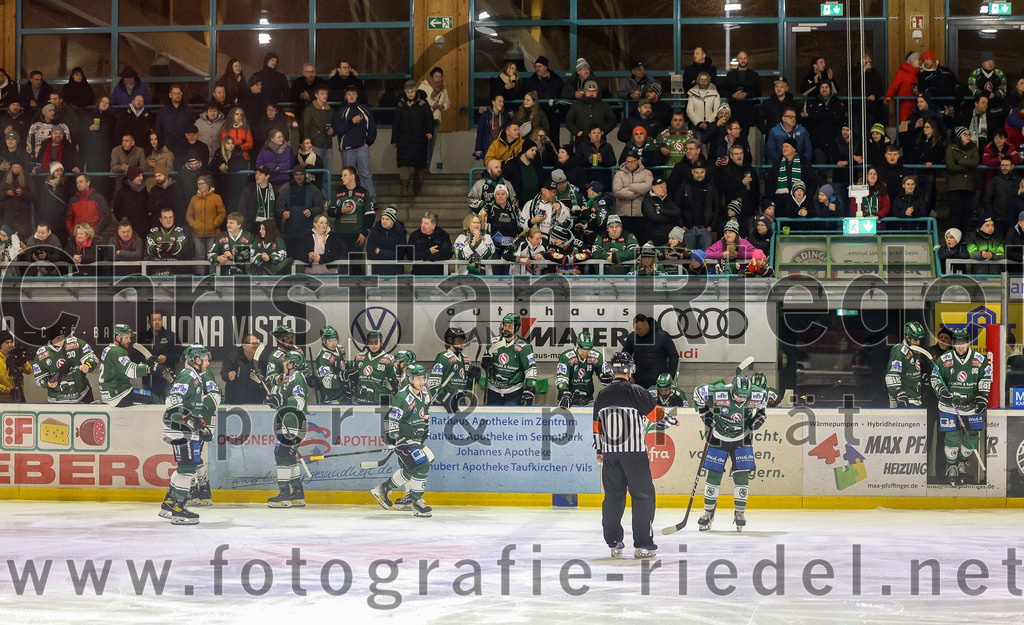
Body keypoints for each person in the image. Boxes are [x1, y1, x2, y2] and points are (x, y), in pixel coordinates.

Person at [593, 351, 672, 559]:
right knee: (643, 496)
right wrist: (670, 420)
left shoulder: (602, 394)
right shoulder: (637, 391)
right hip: (634, 454)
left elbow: (596, 426)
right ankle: (643, 544)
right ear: (630, 369)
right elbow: (656, 416)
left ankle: (614, 543)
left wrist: (599, 449)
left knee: (613, 498)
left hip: (610, 455)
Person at [692, 374, 768, 531]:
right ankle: (708, 513)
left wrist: (761, 415)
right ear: (732, 389)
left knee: (742, 475)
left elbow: (764, 401)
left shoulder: (756, 393)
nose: (741, 400)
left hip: (742, 438)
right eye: (738, 396)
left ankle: (739, 513)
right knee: (713, 475)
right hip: (719, 437)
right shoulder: (719, 391)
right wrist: (704, 413)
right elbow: (698, 392)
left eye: (744, 397)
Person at [159, 344, 218, 524]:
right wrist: (192, 420)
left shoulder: (195, 376)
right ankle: (179, 509)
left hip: (184, 427)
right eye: (205, 359)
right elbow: (173, 402)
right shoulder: (188, 375)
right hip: (182, 429)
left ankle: (170, 504)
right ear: (197, 360)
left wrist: (200, 425)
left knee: (184, 467)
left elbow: (189, 406)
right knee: (187, 468)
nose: (208, 362)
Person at [368, 363, 434, 517]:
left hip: (415, 438)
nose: (421, 381)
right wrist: (396, 440)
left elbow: (424, 413)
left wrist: (425, 428)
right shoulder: (404, 397)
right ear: (410, 379)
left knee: (410, 469)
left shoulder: (423, 393)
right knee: (422, 465)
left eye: (423, 378)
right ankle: (416, 502)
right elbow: (392, 419)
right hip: (404, 438)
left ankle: (383, 489)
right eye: (417, 378)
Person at [931, 328, 991, 485]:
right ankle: (951, 466)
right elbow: (935, 377)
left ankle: (962, 461)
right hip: (949, 406)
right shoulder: (945, 359)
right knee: (952, 437)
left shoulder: (979, 359)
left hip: (972, 406)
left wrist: (982, 397)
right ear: (954, 344)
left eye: (963, 343)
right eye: (958, 343)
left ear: (968, 342)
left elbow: (986, 376)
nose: (960, 346)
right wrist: (941, 391)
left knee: (972, 437)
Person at [265, 351, 310, 508]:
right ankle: (298, 494)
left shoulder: (297, 378)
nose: (283, 364)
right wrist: (273, 398)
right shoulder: (287, 378)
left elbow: (300, 401)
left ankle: (284, 495)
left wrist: (282, 400)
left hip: (294, 424)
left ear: (293, 364)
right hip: (289, 423)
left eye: (286, 362)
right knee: (289, 458)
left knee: (282, 455)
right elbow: (280, 397)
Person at [32, 323, 97, 403]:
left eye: (63, 337)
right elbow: (39, 377)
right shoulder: (41, 353)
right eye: (58, 338)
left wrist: (88, 365)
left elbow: (90, 356)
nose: (61, 340)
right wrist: (48, 383)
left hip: (82, 393)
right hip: (57, 399)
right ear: (51, 339)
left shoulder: (75, 343)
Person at [482, 313, 537, 406]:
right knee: (492, 419)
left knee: (512, 419)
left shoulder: (525, 346)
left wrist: (529, 388)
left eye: (510, 326)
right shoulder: (493, 342)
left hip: (514, 391)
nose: (506, 328)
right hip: (493, 390)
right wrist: (484, 363)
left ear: (517, 328)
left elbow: (530, 368)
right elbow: (486, 364)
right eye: (505, 325)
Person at [333, 85, 378, 199]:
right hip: (347, 149)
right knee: (348, 176)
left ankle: (370, 200)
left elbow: (372, 128)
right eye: (349, 94)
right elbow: (338, 130)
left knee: (365, 174)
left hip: (362, 147)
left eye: (353, 93)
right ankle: (350, 200)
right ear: (345, 97)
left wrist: (368, 142)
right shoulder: (341, 112)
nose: (351, 96)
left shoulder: (365, 109)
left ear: (357, 95)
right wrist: (351, 122)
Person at [326, 166, 374, 271]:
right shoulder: (338, 192)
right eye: (342, 175)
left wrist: (364, 232)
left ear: (352, 176)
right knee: (343, 263)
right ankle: (343, 286)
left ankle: (357, 286)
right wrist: (340, 210)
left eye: (345, 175)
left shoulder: (364, 193)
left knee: (356, 264)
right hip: (340, 234)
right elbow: (330, 211)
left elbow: (370, 215)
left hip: (357, 235)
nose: (342, 178)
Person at [391, 81, 433, 197]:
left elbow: (429, 119)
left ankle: (417, 187)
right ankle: (404, 188)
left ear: (416, 91)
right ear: (405, 92)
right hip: (404, 139)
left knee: (419, 165)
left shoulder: (423, 104)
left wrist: (429, 131)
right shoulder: (400, 105)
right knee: (404, 164)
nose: (410, 94)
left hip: (420, 139)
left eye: (412, 92)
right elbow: (396, 123)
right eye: (408, 92)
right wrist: (394, 139)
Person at [98, 324, 156, 406]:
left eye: (129, 337)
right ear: (118, 337)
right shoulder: (117, 351)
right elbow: (131, 371)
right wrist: (149, 369)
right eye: (126, 338)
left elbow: (123, 366)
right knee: (154, 398)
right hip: (119, 395)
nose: (129, 340)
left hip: (108, 394)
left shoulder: (107, 349)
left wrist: (144, 361)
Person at [427, 327, 478, 415]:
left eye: (462, 341)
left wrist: (473, 379)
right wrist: (445, 398)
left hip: (460, 403)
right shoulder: (443, 358)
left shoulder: (466, 359)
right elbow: (433, 383)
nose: (461, 343)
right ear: (450, 341)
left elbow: (467, 386)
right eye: (458, 340)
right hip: (442, 405)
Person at [555, 330, 611, 409]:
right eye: (583, 350)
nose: (585, 353)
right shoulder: (566, 357)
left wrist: (607, 377)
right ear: (578, 345)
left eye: (588, 350)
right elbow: (561, 376)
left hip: (587, 398)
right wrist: (564, 391)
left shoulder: (597, 356)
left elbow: (605, 372)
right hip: (567, 398)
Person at [278, 165, 325, 254]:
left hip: (308, 231)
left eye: (301, 174)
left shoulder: (313, 189)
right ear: (293, 176)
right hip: (290, 231)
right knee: (291, 258)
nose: (299, 177)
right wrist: (283, 212)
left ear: (305, 175)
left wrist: (312, 211)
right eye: (296, 175)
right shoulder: (287, 189)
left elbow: (320, 207)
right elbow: (279, 205)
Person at [622, 314, 678, 389]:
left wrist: (669, 377)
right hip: (637, 381)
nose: (637, 332)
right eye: (635, 329)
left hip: (658, 383)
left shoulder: (662, 336)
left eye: (639, 329)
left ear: (647, 325)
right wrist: (627, 375)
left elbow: (673, 355)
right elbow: (624, 356)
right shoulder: (632, 337)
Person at [885, 321, 929, 409]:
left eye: (919, 340)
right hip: (903, 400)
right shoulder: (899, 350)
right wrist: (898, 392)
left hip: (915, 398)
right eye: (915, 340)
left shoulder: (916, 350)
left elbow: (910, 371)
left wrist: (923, 376)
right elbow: (892, 375)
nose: (918, 343)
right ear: (907, 336)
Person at [945, 128, 980, 232]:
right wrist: (966, 168)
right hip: (954, 186)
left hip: (968, 185)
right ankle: (953, 234)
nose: (968, 136)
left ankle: (962, 234)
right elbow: (950, 166)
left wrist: (959, 161)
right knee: (955, 211)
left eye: (969, 134)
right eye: (965, 134)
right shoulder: (951, 148)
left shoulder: (973, 148)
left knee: (966, 211)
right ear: (959, 136)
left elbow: (975, 162)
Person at [350, 329, 398, 405]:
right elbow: (353, 379)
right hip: (361, 400)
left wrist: (392, 386)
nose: (373, 345)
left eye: (376, 342)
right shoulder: (359, 357)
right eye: (371, 342)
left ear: (381, 343)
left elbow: (396, 384)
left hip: (382, 401)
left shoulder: (389, 360)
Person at [186, 176, 226, 259]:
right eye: (198, 184)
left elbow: (222, 213)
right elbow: (189, 215)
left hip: (213, 233)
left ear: (208, 185)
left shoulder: (216, 197)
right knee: (199, 256)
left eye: (202, 183)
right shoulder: (194, 199)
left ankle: (212, 272)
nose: (200, 186)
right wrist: (194, 225)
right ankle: (200, 272)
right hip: (197, 233)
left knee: (212, 255)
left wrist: (214, 224)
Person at [220, 334, 266, 405]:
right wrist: (229, 375)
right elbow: (224, 373)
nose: (256, 346)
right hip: (235, 402)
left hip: (256, 402)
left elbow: (266, 375)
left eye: (257, 343)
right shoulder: (232, 357)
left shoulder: (261, 358)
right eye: (253, 344)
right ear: (244, 345)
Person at [418, 67, 450, 168]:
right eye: (436, 76)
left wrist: (442, 106)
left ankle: (427, 166)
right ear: (432, 76)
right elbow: (419, 100)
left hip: (435, 118)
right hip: (424, 119)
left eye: (440, 77)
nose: (438, 79)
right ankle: (421, 166)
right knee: (424, 143)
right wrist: (432, 104)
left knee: (432, 144)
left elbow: (447, 103)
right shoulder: (424, 86)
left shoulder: (443, 89)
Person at [312, 326, 350, 405]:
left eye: (335, 339)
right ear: (324, 341)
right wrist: (342, 377)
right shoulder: (322, 358)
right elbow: (327, 381)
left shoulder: (340, 349)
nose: (334, 343)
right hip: (330, 398)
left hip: (343, 397)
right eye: (330, 341)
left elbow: (342, 366)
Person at [365, 205, 407, 275]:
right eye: (382, 218)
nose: (384, 221)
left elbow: (400, 255)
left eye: (387, 219)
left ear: (393, 221)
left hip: (395, 271)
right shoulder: (375, 231)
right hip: (377, 271)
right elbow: (370, 253)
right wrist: (391, 254)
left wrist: (380, 252)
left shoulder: (400, 232)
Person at [408, 211, 453, 276]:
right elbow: (410, 255)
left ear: (433, 226)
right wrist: (429, 252)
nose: (422, 225)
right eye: (422, 222)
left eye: (426, 223)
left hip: (439, 275)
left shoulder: (443, 235)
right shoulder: (414, 235)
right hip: (419, 274)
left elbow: (446, 253)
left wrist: (424, 257)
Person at [885, 52, 922, 123]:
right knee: (905, 124)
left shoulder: (918, 74)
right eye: (918, 59)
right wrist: (889, 95)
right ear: (912, 60)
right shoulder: (902, 73)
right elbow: (894, 85)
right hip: (904, 106)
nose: (920, 61)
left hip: (915, 104)